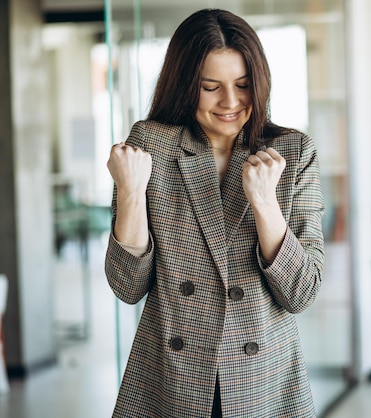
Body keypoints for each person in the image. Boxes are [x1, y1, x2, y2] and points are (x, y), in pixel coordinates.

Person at [104, 8, 324, 417]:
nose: (231, 102)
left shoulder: (294, 153)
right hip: (173, 379)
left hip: (263, 381)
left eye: (243, 85)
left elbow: (302, 292)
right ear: (186, 85)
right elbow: (127, 287)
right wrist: (130, 190)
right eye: (211, 87)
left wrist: (265, 203)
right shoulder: (152, 145)